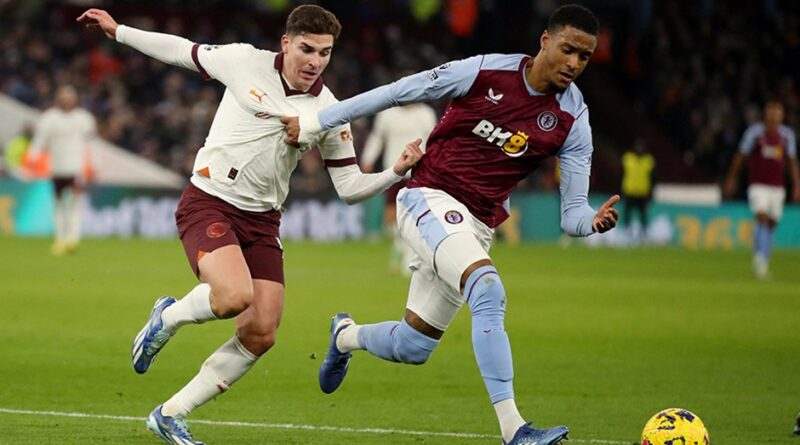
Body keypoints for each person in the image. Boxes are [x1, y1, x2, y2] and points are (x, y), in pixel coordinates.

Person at [77, 6, 423, 445]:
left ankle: (170, 413)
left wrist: (396, 171)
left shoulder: (331, 111)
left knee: (261, 332)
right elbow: (182, 50)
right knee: (233, 296)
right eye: (307, 49)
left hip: (263, 221)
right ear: (286, 43)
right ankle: (169, 317)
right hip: (210, 201)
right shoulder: (244, 61)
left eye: (325, 53)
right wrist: (120, 31)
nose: (315, 61)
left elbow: (350, 187)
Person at [283, 5, 619, 445]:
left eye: (585, 57)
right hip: (428, 197)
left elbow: (571, 215)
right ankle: (514, 430)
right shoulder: (484, 72)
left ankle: (346, 336)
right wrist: (318, 120)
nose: (574, 63)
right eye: (568, 50)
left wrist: (592, 221)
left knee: (413, 346)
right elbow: (398, 92)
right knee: (488, 289)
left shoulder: (573, 120)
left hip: (476, 225)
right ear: (545, 41)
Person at [724, 100, 800, 280]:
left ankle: (764, 257)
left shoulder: (787, 136)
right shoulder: (754, 133)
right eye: (771, 115)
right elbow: (741, 156)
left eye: (777, 115)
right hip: (757, 185)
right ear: (766, 116)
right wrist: (732, 178)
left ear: (781, 117)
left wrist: (797, 184)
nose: (773, 119)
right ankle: (759, 259)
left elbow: (792, 161)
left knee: (771, 223)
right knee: (762, 217)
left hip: (777, 187)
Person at [361, 101, 438, 274]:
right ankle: (399, 245)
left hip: (419, 171)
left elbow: (434, 141)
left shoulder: (426, 113)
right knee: (391, 216)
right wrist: (368, 158)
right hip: (394, 170)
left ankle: (412, 254)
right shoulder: (387, 114)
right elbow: (377, 137)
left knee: (419, 215)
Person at [27, 86, 96, 255]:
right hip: (57, 168)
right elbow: (39, 141)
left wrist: (94, 164)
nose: (67, 100)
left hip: (76, 168)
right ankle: (59, 238)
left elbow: (92, 143)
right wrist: (32, 158)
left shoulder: (83, 118)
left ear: (75, 99)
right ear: (58, 99)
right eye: (64, 97)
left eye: (70, 97)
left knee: (74, 203)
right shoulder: (49, 118)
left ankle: (73, 238)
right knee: (58, 205)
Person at [621, 137, 655, 243]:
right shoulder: (628, 159)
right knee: (627, 214)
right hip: (629, 192)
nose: (639, 149)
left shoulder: (648, 161)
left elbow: (653, 178)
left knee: (643, 216)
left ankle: (644, 234)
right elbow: (620, 175)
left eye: (641, 147)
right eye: (637, 147)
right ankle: (626, 233)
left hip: (642, 193)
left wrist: (651, 193)